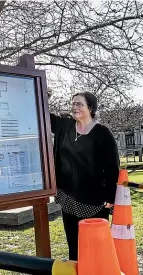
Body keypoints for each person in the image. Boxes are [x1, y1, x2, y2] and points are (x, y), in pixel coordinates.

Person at [50, 91, 120, 261]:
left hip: (93, 200)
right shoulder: (64, 126)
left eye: (79, 104)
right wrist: (43, 95)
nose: (75, 107)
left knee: (95, 243)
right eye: (73, 103)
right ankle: (78, 274)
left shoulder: (102, 133)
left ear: (90, 108)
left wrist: (110, 198)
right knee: (73, 241)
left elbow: (112, 168)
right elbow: (43, 115)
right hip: (67, 196)